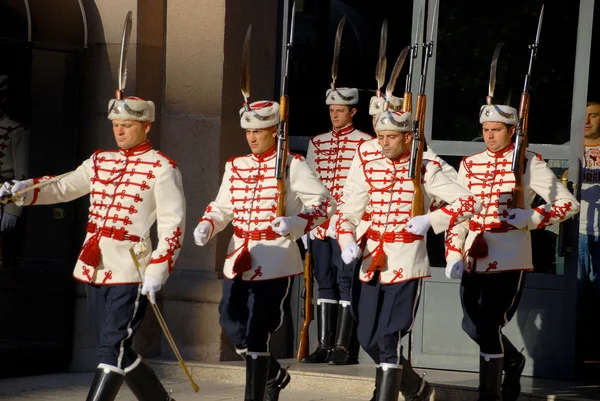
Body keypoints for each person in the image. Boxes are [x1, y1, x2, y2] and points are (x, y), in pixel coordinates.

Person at [0, 95, 185, 401]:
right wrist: (24, 190)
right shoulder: (100, 160)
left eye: (127, 125)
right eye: (115, 125)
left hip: (131, 269)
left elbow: (172, 225)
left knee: (112, 346)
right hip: (94, 266)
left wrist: (158, 269)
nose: (120, 131)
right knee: (116, 347)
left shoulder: (162, 168)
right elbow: (63, 186)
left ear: (146, 126)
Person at [193, 99, 335, 401]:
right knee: (230, 321)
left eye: (259, 131)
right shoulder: (236, 165)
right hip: (240, 254)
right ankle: (274, 374)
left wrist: (296, 223)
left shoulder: (292, 164)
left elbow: (324, 203)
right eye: (248, 132)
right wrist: (209, 224)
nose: (252, 138)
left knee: (259, 331)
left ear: (275, 131)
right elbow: (222, 207)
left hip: (275, 256)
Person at [336, 109, 482, 401]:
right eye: (380, 137)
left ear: (407, 137)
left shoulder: (426, 168)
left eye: (391, 137)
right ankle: (415, 387)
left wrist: (432, 220)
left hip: (406, 259)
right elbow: (347, 211)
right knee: (366, 337)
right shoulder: (371, 166)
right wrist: (346, 240)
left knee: (390, 335)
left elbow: (470, 201)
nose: (384, 143)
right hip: (371, 259)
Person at [444, 103, 580, 401]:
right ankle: (513, 360)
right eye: (485, 130)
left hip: (508, 255)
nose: (490, 136)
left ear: (512, 131)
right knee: (471, 324)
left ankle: (488, 394)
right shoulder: (469, 163)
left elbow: (569, 203)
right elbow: (459, 211)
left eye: (496, 130)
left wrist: (531, 218)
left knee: (489, 324)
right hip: (473, 253)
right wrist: (454, 252)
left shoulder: (530, 163)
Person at [301, 86, 371, 365]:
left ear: (352, 112)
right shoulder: (317, 142)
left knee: (346, 280)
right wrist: (307, 222)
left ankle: (344, 346)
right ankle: (323, 345)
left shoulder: (364, 142)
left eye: (340, 111)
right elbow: (308, 184)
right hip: (320, 224)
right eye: (331, 111)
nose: (335, 115)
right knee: (324, 281)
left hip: (348, 224)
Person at [0, 75, 29, 234]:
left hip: (3, 197)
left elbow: (21, 176)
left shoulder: (15, 130)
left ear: (3, 99)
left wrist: (12, 210)